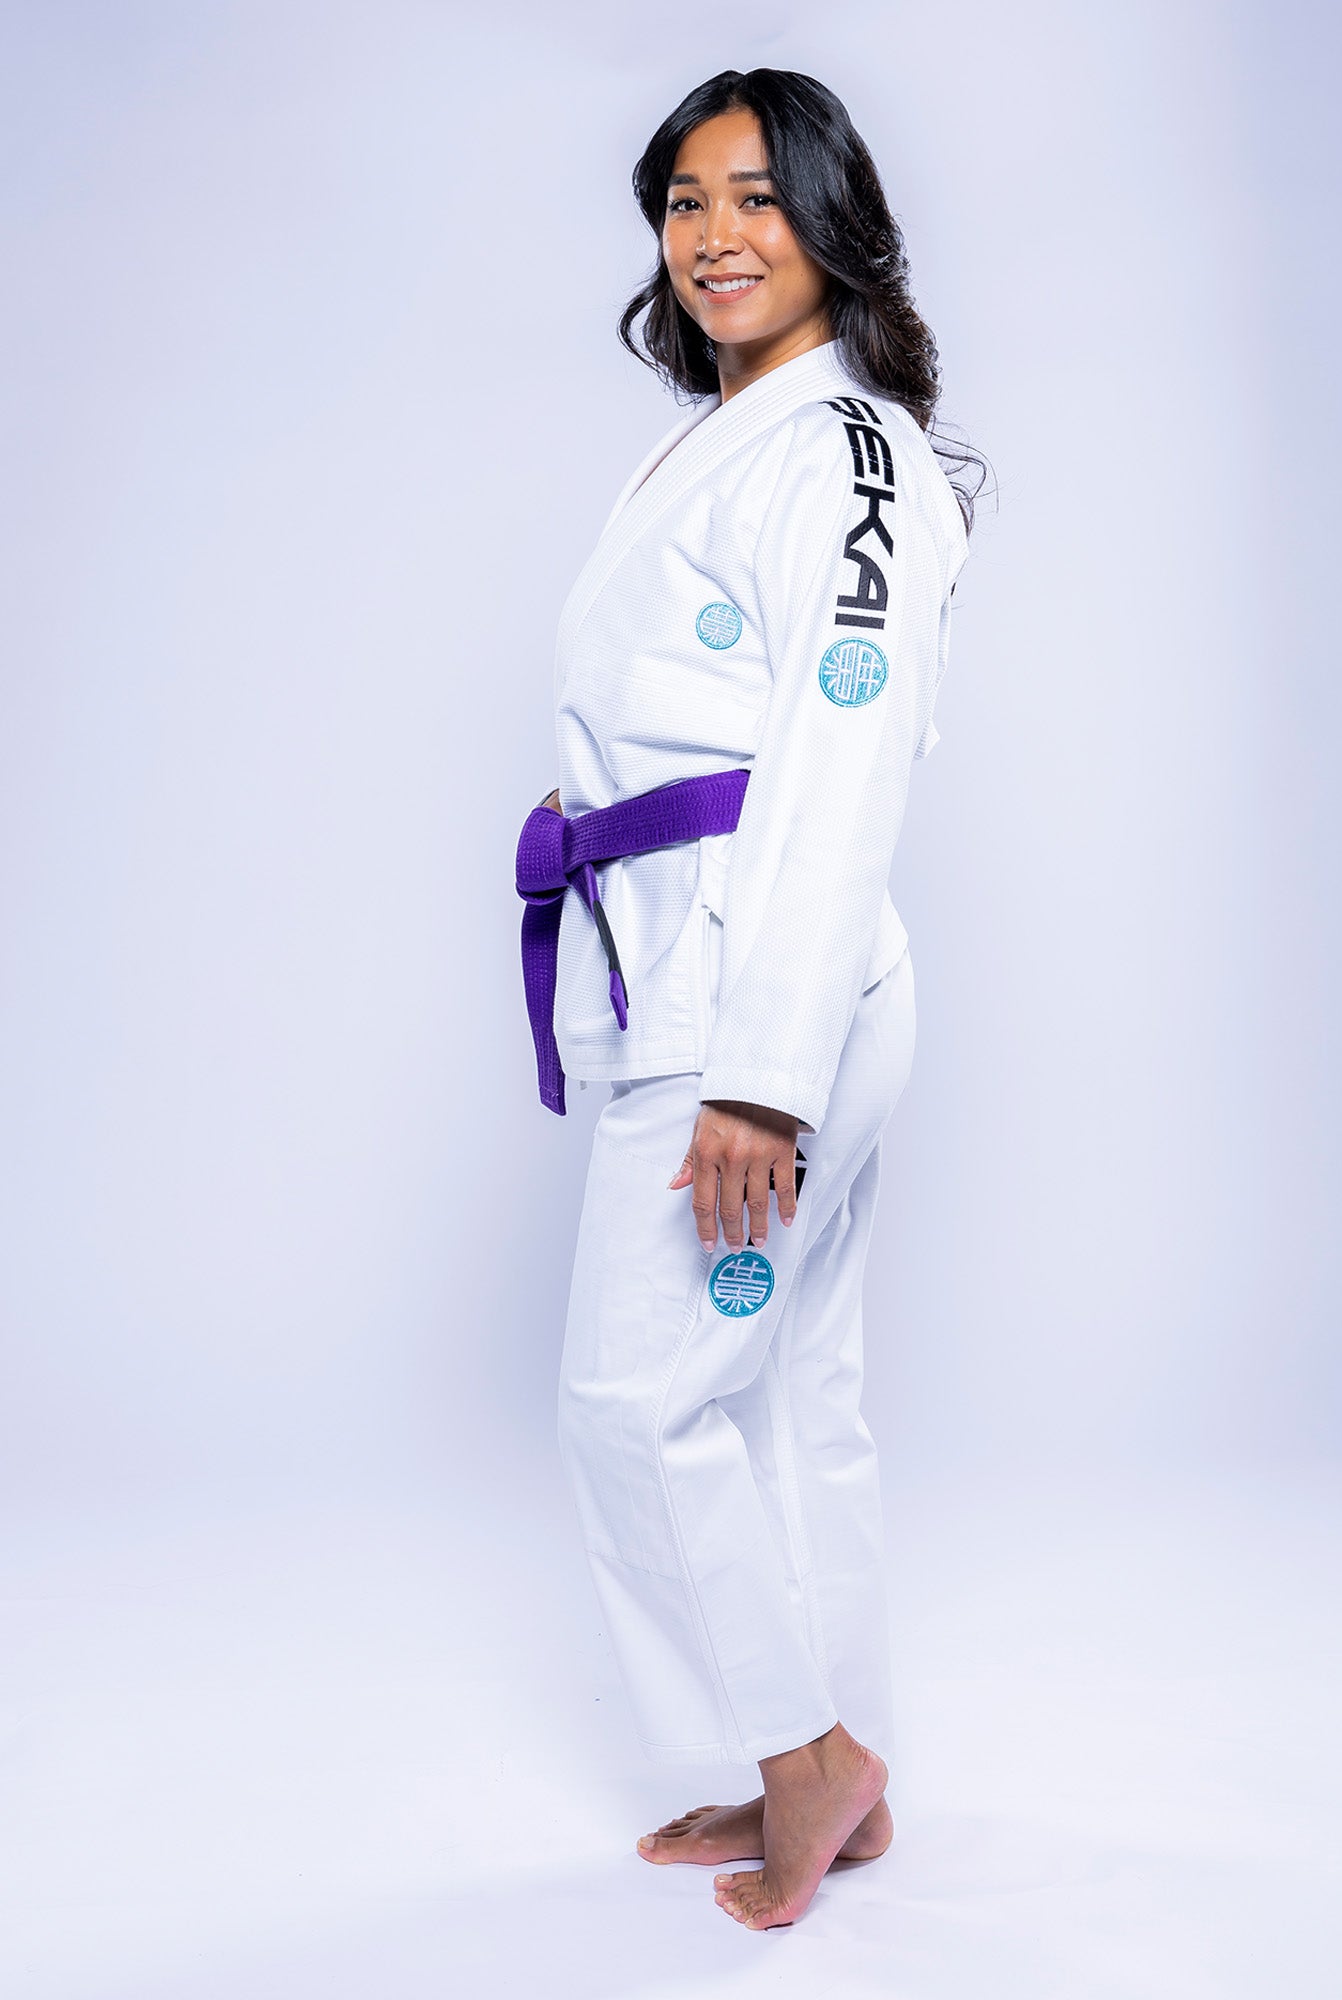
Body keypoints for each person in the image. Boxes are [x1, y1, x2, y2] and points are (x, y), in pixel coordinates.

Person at [514, 67, 982, 1931]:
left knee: (637, 1399)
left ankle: (807, 1759)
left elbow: (842, 767)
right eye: (686, 201)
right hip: (693, 948)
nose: (715, 236)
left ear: (831, 217)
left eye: (757, 198)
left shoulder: (843, 454)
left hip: (756, 983)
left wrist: (762, 1080)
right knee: (793, 1396)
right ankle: (833, 1758)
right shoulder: (736, 438)